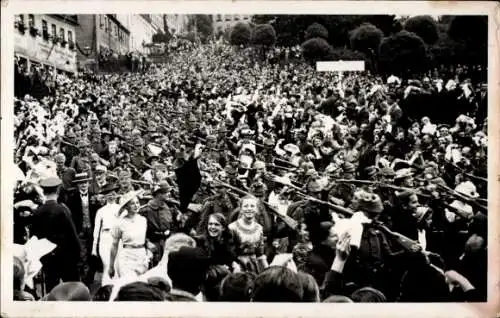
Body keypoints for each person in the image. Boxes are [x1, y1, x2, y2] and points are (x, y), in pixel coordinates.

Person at [29, 177, 81, 292]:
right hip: (67, 257)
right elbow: (72, 235)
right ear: (58, 191)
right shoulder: (62, 210)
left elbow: (34, 238)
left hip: (48, 259)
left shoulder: (38, 212)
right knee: (73, 290)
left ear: (43, 192)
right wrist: (78, 254)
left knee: (51, 291)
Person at [108, 190, 151, 280]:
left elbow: (144, 239)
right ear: (126, 206)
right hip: (127, 258)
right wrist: (111, 266)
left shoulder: (143, 220)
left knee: (142, 286)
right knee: (128, 285)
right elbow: (114, 245)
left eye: (137, 203)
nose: (136, 205)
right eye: (132, 204)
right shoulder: (120, 223)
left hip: (142, 256)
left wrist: (148, 249)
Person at [228, 195, 269, 274]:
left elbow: (260, 254)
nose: (249, 209)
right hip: (238, 267)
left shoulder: (259, 228)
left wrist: (267, 270)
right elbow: (228, 253)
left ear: (256, 209)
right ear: (241, 208)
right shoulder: (232, 228)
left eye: (252, 206)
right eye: (246, 206)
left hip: (254, 267)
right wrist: (235, 266)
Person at [91, 184, 120, 286]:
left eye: (113, 194)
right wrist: (94, 248)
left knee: (117, 264)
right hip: (105, 238)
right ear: (105, 196)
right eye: (108, 195)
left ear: (116, 195)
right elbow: (96, 230)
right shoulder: (101, 211)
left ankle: (117, 289)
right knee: (107, 264)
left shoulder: (121, 209)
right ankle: (106, 288)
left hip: (118, 239)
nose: (111, 196)